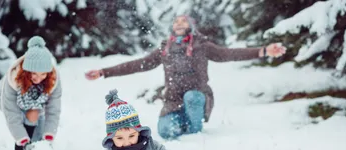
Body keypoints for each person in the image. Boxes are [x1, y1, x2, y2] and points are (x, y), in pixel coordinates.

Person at [85, 15, 286, 140]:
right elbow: (138, 64)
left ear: (190, 26)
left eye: (184, 20)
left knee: (192, 97)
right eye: (176, 21)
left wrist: (264, 51)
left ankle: (195, 133)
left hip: (197, 97)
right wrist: (104, 72)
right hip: (173, 101)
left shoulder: (202, 46)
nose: (179, 23)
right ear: (172, 27)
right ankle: (185, 123)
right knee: (165, 132)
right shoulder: (166, 48)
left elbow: (229, 54)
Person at [0, 36, 62, 150]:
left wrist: (49, 132)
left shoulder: (53, 79)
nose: (39, 78)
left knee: (37, 128)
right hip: (1, 97)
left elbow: (54, 108)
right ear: (26, 71)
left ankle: (34, 145)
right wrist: (21, 137)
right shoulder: (14, 78)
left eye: (43, 74)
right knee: (29, 118)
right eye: (34, 74)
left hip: (32, 100)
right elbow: (11, 112)